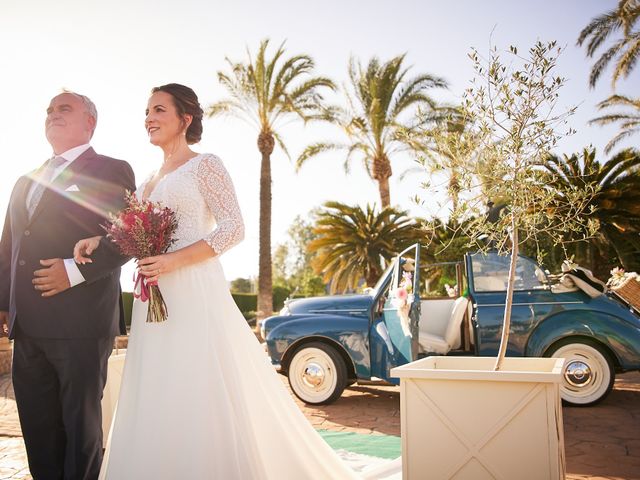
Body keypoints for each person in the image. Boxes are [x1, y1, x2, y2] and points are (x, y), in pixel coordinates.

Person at [74, 84, 397, 479]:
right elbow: (128, 233)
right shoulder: (147, 180)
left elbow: (233, 229)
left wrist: (174, 260)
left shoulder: (205, 164)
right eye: (146, 111)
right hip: (153, 298)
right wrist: (100, 239)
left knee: (197, 382)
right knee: (157, 386)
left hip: (192, 290)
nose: (149, 118)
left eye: (158, 109)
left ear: (185, 119)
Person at [0, 91, 136, 479]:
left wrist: (74, 272)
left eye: (64, 109)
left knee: (80, 433)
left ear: (89, 122)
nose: (52, 114)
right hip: (26, 328)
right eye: (49, 110)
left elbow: (128, 234)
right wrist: (3, 303)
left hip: (81, 324)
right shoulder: (25, 180)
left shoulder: (111, 169)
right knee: (39, 433)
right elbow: (9, 245)